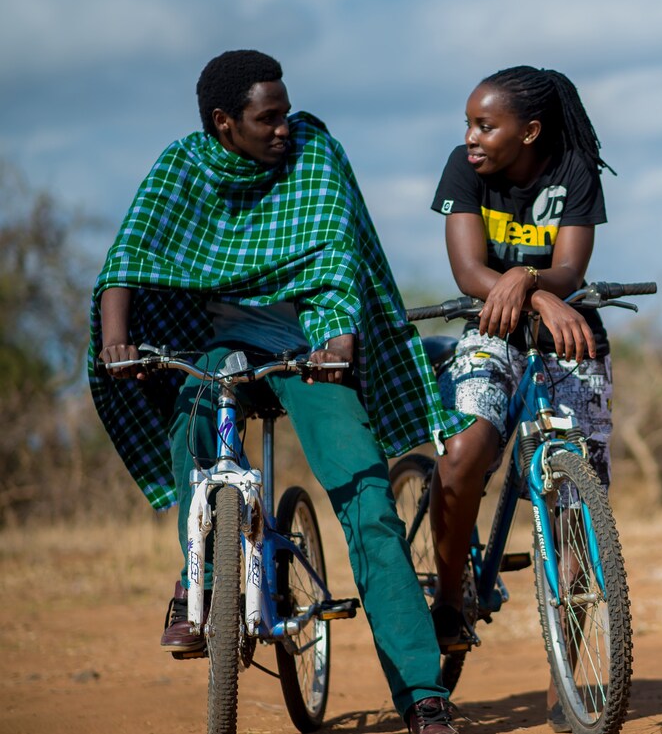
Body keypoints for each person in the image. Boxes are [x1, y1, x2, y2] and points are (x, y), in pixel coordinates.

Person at [88, 49, 469, 734]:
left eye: (286, 111)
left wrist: (339, 341)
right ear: (223, 122)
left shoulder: (314, 155)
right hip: (217, 343)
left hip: (310, 341)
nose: (283, 127)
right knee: (193, 420)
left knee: (367, 499)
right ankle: (197, 579)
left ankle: (422, 691)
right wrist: (117, 341)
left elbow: (336, 263)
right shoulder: (183, 165)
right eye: (268, 117)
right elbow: (128, 257)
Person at [428, 65, 615, 732]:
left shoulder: (571, 170)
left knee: (577, 508)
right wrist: (526, 290)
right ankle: (448, 599)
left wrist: (535, 282)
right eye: (470, 124)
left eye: (486, 125)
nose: (472, 138)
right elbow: (467, 271)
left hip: (567, 333)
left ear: (529, 130)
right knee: (462, 453)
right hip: (488, 330)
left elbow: (571, 269)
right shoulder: (464, 169)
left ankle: (569, 680)